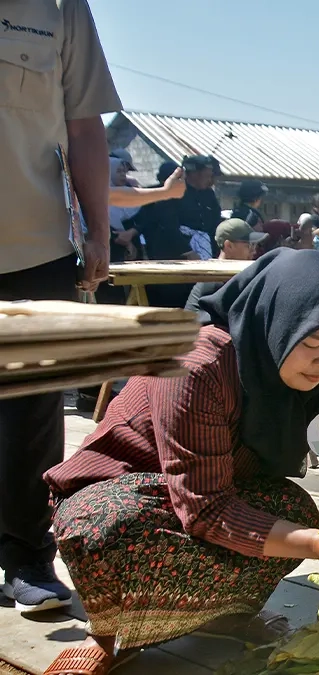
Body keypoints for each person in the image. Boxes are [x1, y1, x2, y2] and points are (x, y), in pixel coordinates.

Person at [41, 250, 319, 674]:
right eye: (312, 344)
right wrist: (318, 543)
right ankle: (105, 633)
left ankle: (224, 614)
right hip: (130, 492)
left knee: (294, 509)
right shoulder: (196, 365)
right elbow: (206, 508)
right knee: (109, 524)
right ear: (276, 323)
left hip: (219, 491)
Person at [0, 0, 119, 614]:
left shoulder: (59, 8)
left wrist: (97, 230)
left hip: (33, 246)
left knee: (30, 412)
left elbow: (83, 125)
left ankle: (26, 557)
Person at [127, 161, 199, 308]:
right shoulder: (163, 198)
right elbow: (168, 225)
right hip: (167, 256)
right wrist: (188, 250)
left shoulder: (155, 196)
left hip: (159, 256)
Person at [183, 218, 267, 311]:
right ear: (229, 246)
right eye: (249, 246)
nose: (254, 251)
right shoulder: (215, 278)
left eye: (255, 245)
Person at [177, 154, 224, 259]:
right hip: (181, 251)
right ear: (194, 174)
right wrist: (187, 250)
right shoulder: (177, 192)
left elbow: (215, 221)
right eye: (207, 176)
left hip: (208, 248)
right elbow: (170, 226)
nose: (210, 180)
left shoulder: (209, 194)